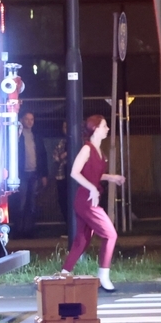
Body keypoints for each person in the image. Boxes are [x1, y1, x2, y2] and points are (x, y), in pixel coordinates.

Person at [61, 115, 125, 292]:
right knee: (110, 234)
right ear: (95, 128)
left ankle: (63, 274)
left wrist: (112, 177)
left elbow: (94, 175)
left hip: (88, 199)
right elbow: (75, 172)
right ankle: (103, 275)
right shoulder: (87, 149)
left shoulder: (98, 150)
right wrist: (92, 188)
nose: (108, 129)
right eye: (105, 126)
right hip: (87, 200)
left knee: (82, 240)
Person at [14, 111, 48, 237]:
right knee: (21, 203)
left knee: (32, 203)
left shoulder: (37, 137)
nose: (29, 122)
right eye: (27, 119)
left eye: (32, 119)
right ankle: (19, 230)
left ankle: (29, 230)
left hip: (34, 173)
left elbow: (43, 155)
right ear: (22, 120)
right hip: (22, 174)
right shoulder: (17, 135)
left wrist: (44, 174)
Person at [52, 121, 70, 229]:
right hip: (62, 175)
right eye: (64, 127)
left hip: (76, 178)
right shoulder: (61, 142)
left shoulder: (81, 142)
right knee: (63, 200)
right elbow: (56, 158)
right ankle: (68, 225)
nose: (66, 129)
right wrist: (65, 154)